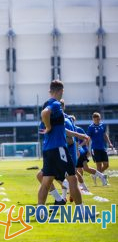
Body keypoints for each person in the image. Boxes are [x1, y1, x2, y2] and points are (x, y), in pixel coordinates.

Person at [38, 80, 84, 217]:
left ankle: (40, 212)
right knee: (73, 179)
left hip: (48, 149)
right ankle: (82, 212)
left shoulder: (47, 103)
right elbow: (45, 114)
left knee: (46, 181)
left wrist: (77, 134)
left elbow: (60, 128)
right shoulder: (56, 104)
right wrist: (48, 127)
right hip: (59, 148)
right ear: (61, 91)